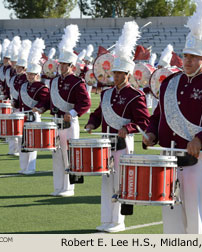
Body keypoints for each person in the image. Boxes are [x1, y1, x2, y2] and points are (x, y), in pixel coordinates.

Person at [143, 0, 202, 234]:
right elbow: (159, 116)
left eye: (193, 57)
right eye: (185, 55)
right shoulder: (169, 83)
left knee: (197, 220)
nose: (186, 60)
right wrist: (152, 132)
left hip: (199, 159)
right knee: (172, 219)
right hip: (168, 157)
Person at [86, 21, 150, 233]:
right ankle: (106, 219)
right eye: (115, 73)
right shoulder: (106, 93)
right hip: (106, 142)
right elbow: (98, 113)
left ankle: (118, 222)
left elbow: (144, 121)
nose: (116, 77)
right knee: (106, 183)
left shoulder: (135, 95)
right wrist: (91, 123)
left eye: (121, 74)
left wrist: (129, 128)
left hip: (123, 144)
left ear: (128, 75)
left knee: (120, 183)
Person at [49, 24, 91, 197]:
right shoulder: (54, 81)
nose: (62, 67)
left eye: (66, 65)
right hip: (56, 121)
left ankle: (69, 187)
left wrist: (72, 113)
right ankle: (59, 186)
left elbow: (85, 103)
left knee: (69, 155)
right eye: (61, 64)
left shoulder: (77, 82)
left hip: (69, 122)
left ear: (72, 66)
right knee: (57, 156)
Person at [17, 38, 50, 175]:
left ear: (37, 75)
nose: (30, 76)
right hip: (23, 115)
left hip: (33, 116)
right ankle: (23, 166)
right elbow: (19, 100)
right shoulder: (24, 85)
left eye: (32, 74)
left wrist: (39, 108)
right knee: (22, 141)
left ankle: (31, 167)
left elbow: (45, 100)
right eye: (29, 74)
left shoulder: (42, 87)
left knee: (32, 142)